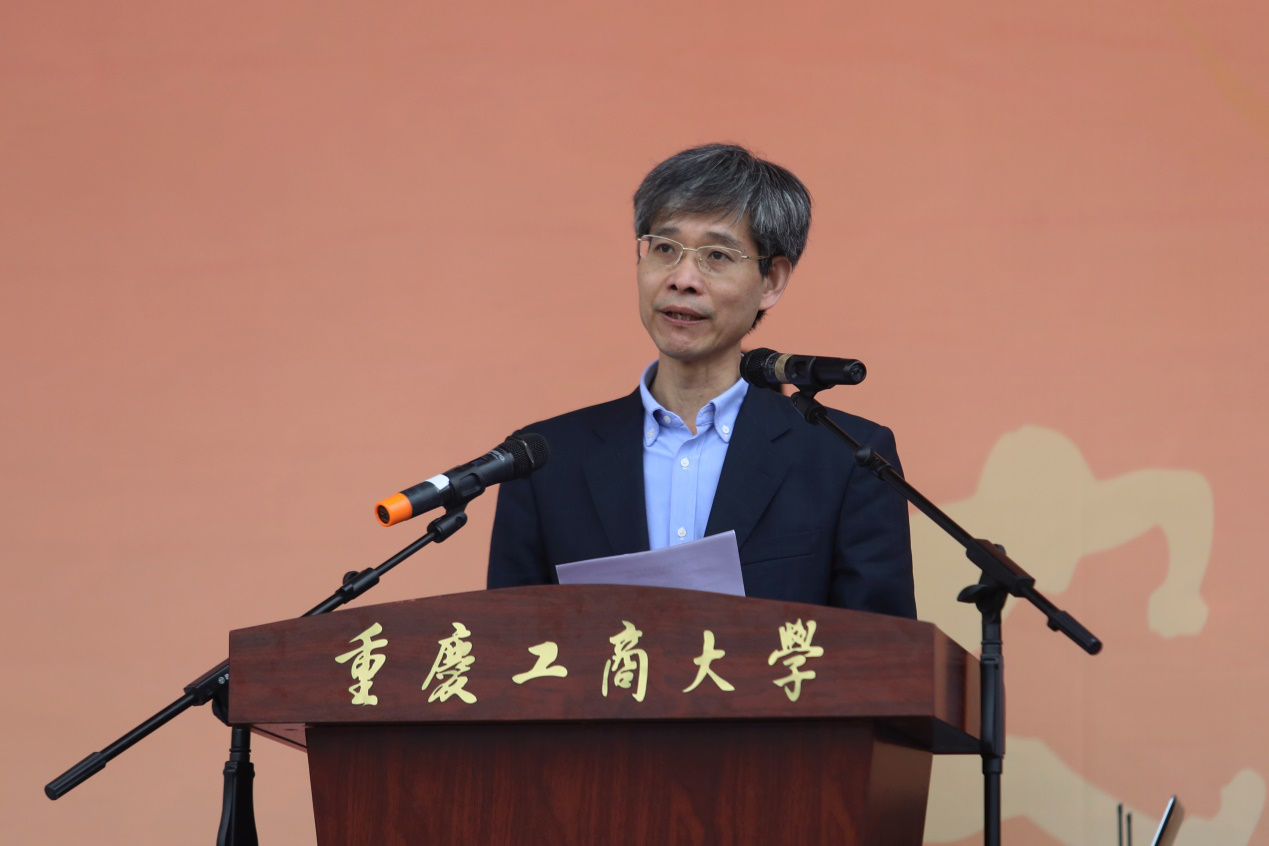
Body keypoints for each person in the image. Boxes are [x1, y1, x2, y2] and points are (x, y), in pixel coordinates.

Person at [487, 143, 915, 617]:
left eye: (716, 255)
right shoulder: (543, 461)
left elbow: (884, 652)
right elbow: (509, 645)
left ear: (771, 281)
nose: (683, 278)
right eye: (665, 249)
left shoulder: (847, 457)